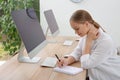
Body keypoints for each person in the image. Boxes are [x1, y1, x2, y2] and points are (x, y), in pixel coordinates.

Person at [57, 10, 120, 80]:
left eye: (77, 29)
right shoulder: (86, 35)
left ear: (86, 24)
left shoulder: (105, 41)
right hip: (93, 75)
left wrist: (88, 41)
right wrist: (67, 61)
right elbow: (78, 52)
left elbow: (85, 65)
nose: (75, 32)